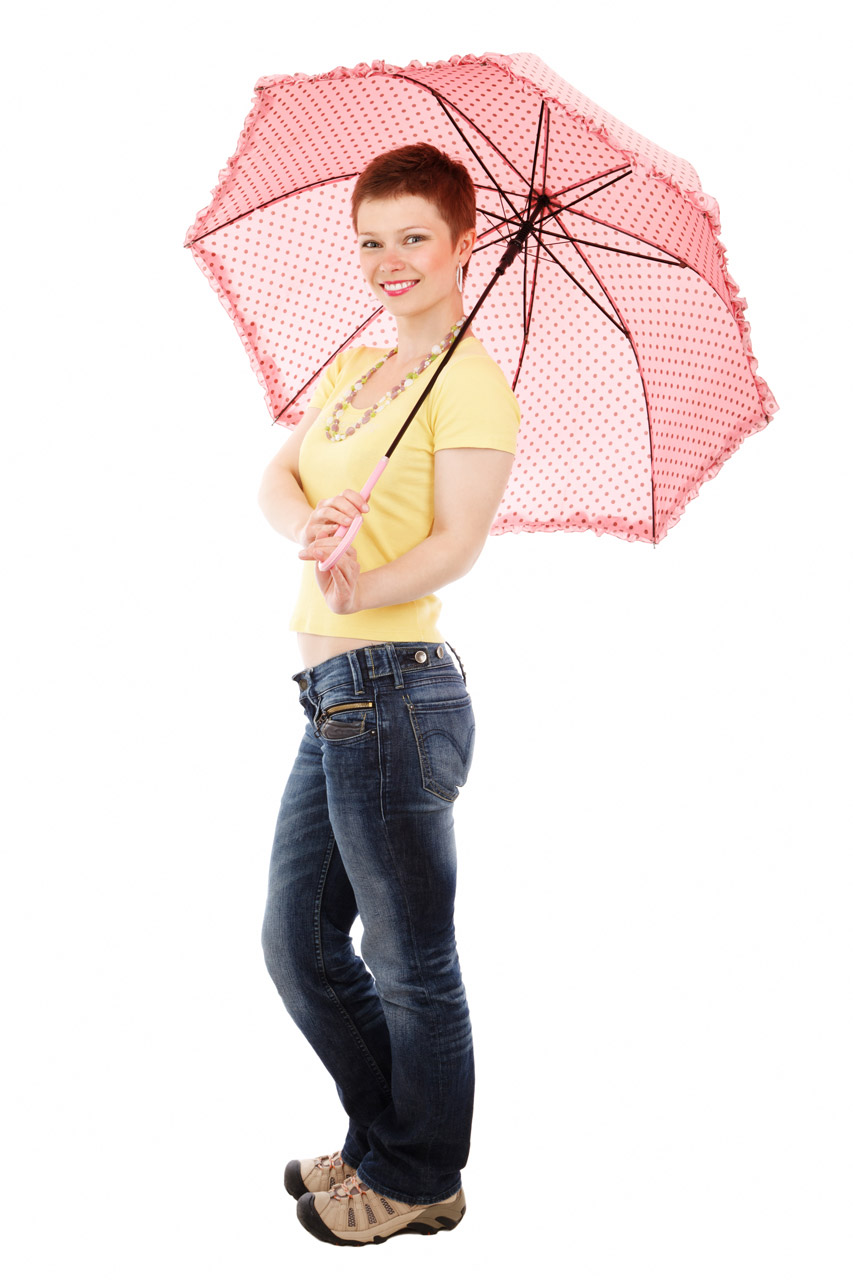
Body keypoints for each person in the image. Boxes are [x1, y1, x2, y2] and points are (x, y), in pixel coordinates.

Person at [257, 142, 521, 1247]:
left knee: (408, 961)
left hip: (397, 690)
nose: (391, 260)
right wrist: (308, 525)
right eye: (372, 239)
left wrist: (365, 576)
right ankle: (385, 1143)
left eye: (415, 236)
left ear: (466, 243)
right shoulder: (356, 370)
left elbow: (457, 544)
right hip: (331, 698)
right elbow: (276, 477)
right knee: (298, 940)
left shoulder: (471, 387)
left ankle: (417, 1173)